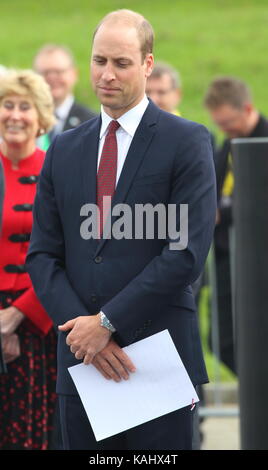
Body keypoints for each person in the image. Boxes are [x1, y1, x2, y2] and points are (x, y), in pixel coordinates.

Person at [27, 9, 216, 450]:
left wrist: (107, 323)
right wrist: (84, 333)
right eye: (99, 61)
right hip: (82, 364)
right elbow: (43, 254)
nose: (107, 75)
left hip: (157, 360)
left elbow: (184, 253)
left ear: (148, 64)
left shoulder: (187, 141)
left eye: (122, 63)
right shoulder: (65, 148)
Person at [0, 69, 57, 449]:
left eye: (25, 106)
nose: (15, 115)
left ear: (40, 120)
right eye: (7, 105)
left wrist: (16, 316)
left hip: (36, 321)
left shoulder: (57, 169)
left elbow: (64, 255)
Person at [204, 76, 268, 373]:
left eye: (228, 122)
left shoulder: (262, 141)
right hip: (227, 257)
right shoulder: (227, 144)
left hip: (257, 257)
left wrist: (224, 213)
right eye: (219, 124)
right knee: (221, 339)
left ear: (247, 109)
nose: (224, 130)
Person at [33, 44, 96, 149]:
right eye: (45, 73)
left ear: (74, 74)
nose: (52, 78)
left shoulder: (92, 123)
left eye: (58, 72)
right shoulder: (23, 119)